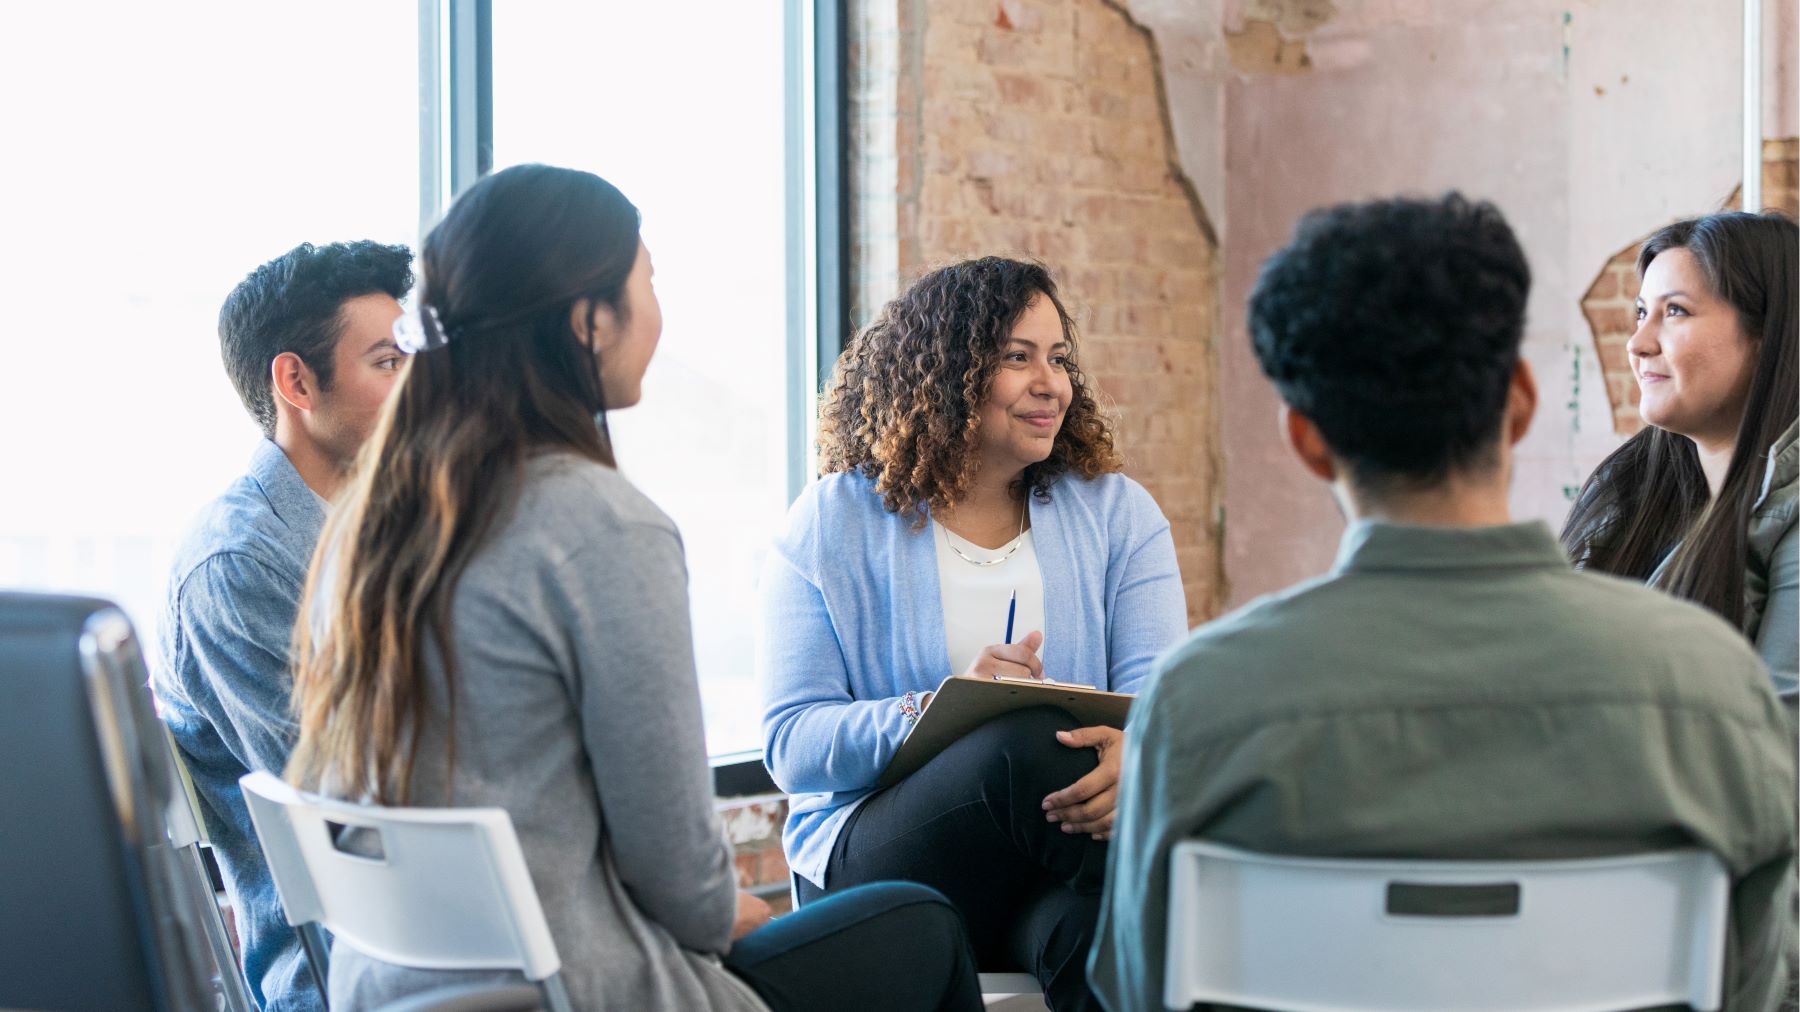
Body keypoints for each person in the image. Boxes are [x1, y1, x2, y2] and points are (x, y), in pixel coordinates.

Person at [285, 164, 983, 1012]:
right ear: (589, 322)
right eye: (647, 281)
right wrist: (732, 907)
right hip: (581, 992)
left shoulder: (367, 528)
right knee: (920, 922)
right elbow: (682, 881)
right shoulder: (602, 527)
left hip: (393, 991)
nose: (657, 312)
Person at [1090, 194, 1797, 1012]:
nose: (1644, 338)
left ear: (1305, 438)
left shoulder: (1196, 700)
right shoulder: (1714, 685)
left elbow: (1138, 990)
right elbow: (1755, 982)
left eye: (1670, 312)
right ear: (1522, 402)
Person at [760, 256, 1188, 1010]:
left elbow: (1162, 705)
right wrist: (941, 708)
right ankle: (1222, 894)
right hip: (885, 865)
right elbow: (793, 744)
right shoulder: (831, 522)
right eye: (1017, 357)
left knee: (1094, 932)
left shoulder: (1120, 517)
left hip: (1051, 868)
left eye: (1058, 359)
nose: (1050, 382)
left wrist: (1141, 758)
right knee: (1026, 742)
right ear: (946, 372)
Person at [153, 239, 413, 1011]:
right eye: (387, 364)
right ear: (296, 381)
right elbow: (351, 808)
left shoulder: (383, 527)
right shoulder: (238, 565)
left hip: (443, 939)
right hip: (343, 976)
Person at [1562, 211, 1798, 692]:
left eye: (1676, 311)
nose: (1637, 343)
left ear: (1765, 337)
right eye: (1642, 312)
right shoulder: (1634, 491)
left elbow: (1781, 745)